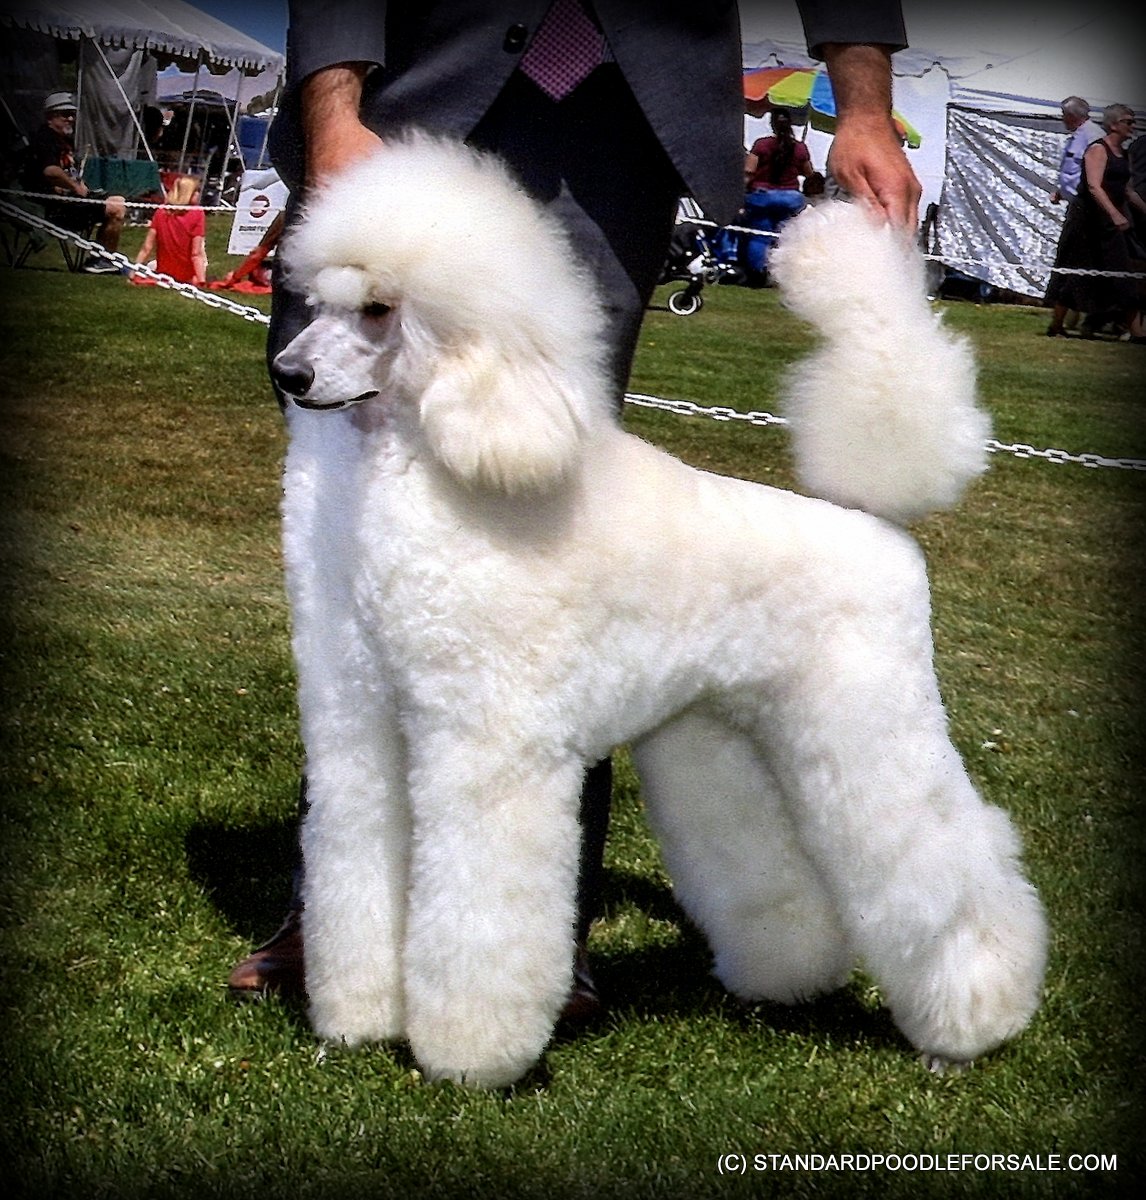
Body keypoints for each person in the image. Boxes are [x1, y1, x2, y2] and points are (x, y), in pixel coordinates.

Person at [227, 0, 923, 1017]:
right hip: (413, 94)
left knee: (558, 557)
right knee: (355, 556)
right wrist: (334, 107)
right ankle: (339, 922)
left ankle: (534, 944)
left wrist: (863, 101)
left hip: (619, 116)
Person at [1045, 104, 1146, 340]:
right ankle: (1056, 324)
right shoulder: (1097, 149)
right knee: (1073, 273)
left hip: (1110, 225)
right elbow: (1093, 186)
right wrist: (1114, 214)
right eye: (1127, 121)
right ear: (1113, 124)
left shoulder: (1125, 154)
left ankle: (1138, 332)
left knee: (1123, 273)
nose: (1132, 126)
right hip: (1086, 222)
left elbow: (1128, 190)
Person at [22, 91, 126, 274]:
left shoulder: (62, 140)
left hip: (69, 202)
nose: (70, 118)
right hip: (53, 207)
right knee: (116, 208)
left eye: (72, 114)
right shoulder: (44, 138)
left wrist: (79, 184)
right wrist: (75, 187)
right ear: (50, 117)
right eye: (65, 115)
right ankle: (101, 260)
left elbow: (67, 171)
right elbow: (50, 171)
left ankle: (102, 258)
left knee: (117, 200)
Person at [740, 108, 815, 285]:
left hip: (762, 197)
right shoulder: (800, 148)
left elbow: (749, 172)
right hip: (790, 198)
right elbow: (809, 174)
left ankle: (757, 275)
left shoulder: (761, 145)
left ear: (772, 124)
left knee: (759, 236)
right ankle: (781, 276)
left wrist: (741, 194)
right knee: (784, 238)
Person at [129, 174, 207, 287]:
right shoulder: (197, 213)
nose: (199, 194)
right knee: (201, 258)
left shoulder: (161, 212)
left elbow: (146, 248)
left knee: (151, 265)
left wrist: (132, 273)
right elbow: (196, 253)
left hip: (163, 274)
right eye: (197, 191)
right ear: (189, 193)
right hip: (186, 276)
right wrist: (201, 281)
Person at [1050, 96, 1105, 206]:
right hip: (1075, 202)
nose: (1062, 118)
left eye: (1064, 114)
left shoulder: (1093, 136)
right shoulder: (1078, 136)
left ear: (1072, 116)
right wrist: (1062, 193)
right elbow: (1074, 171)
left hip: (1086, 203)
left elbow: (1096, 174)